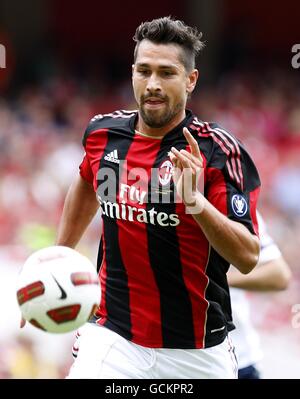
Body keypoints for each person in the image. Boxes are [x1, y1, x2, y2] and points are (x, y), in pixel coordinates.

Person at [56, 16, 261, 379]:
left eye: (167, 73)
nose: (153, 84)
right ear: (133, 73)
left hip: (196, 351)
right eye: (144, 71)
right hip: (114, 337)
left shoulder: (219, 151)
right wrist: (59, 256)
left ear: (190, 79)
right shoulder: (103, 135)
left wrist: (195, 203)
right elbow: (87, 181)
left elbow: (247, 257)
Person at [228, 211, 291, 379]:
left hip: (236, 357)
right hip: (159, 361)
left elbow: (279, 274)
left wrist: (216, 280)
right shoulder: (151, 204)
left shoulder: (231, 203)